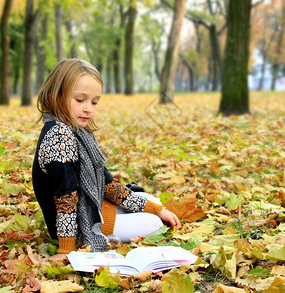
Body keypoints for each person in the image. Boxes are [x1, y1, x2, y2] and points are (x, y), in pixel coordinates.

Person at [32, 58, 180, 257]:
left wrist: (156, 208)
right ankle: (104, 230)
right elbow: (65, 196)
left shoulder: (76, 132)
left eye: (94, 102)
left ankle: (144, 211)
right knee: (153, 222)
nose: (89, 108)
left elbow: (107, 183)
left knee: (151, 201)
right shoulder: (59, 137)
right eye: (80, 100)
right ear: (54, 95)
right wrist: (66, 249)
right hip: (75, 226)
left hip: (91, 208)